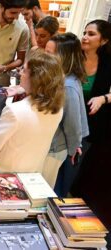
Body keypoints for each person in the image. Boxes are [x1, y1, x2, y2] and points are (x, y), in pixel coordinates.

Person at [0, 50, 64, 174]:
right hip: (32, 173)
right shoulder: (58, 110)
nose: (20, 73)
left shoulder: (14, 111)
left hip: (4, 174)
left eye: (24, 70)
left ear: (36, 78)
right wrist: (22, 89)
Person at [72, 20, 111, 228]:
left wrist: (103, 98)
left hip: (92, 124)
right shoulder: (74, 56)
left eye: (91, 34)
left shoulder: (108, 62)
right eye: (84, 32)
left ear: (103, 40)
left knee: (78, 164)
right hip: (68, 120)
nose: (85, 37)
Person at [43, 33, 89, 189]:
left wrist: (73, 148)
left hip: (56, 147)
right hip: (54, 144)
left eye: (50, 53)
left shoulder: (67, 85)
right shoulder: (63, 77)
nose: (45, 56)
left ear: (63, 56)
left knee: (45, 186)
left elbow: (72, 123)